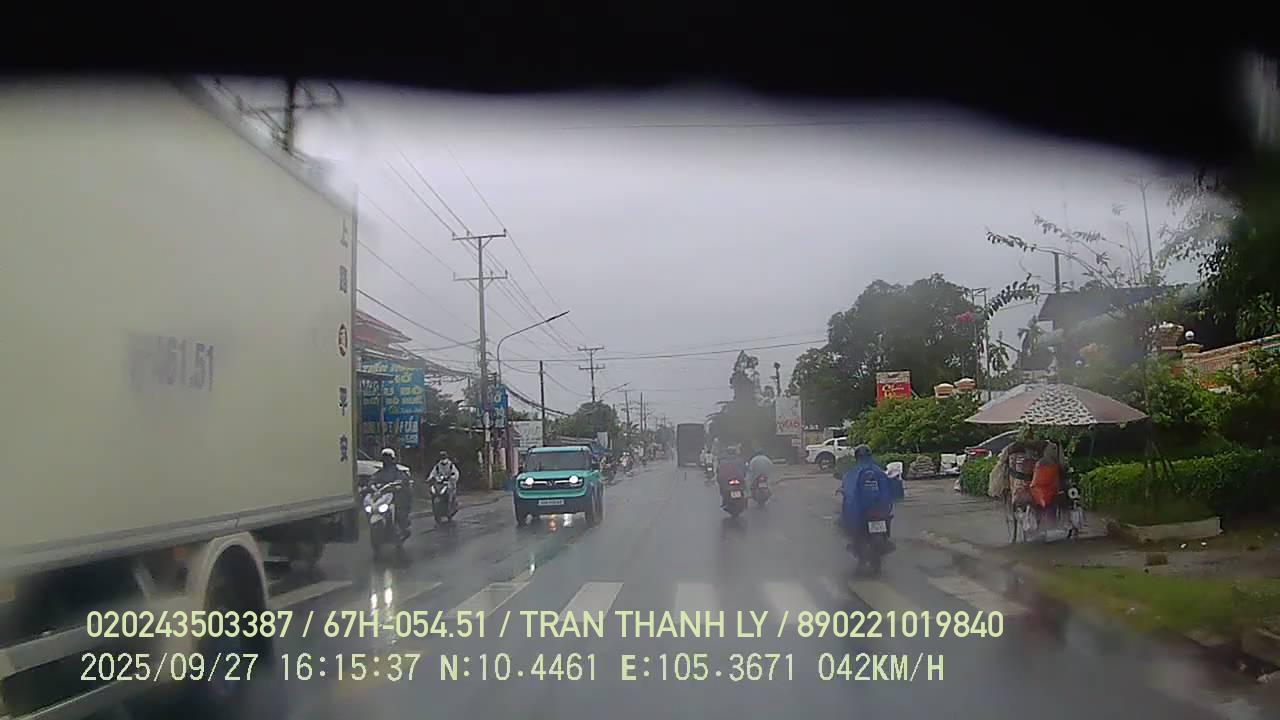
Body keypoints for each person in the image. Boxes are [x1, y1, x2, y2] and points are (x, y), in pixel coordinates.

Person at [840, 444, 894, 552]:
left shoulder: (854, 472)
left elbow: (850, 491)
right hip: (880, 509)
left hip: (863, 510)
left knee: (847, 519)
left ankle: (855, 539)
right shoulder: (878, 471)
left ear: (857, 457)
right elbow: (889, 488)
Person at [370, 448, 412, 537]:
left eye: (388, 458)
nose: (386, 460)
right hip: (384, 496)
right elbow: (373, 479)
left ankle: (402, 527)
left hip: (396, 496)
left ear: (392, 459)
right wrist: (371, 485)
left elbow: (404, 480)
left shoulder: (398, 472)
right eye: (384, 458)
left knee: (400, 509)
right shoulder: (380, 472)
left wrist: (399, 484)